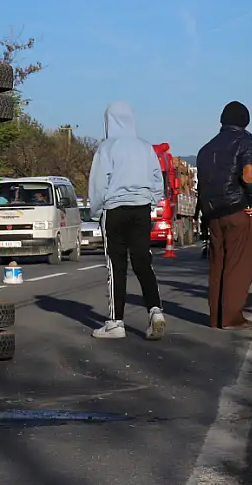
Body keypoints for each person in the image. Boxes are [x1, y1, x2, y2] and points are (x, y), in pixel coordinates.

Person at [87, 101, 166, 340]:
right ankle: (155, 311)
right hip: (141, 208)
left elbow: (99, 183)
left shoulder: (107, 147)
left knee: (116, 266)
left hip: (115, 209)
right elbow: (157, 180)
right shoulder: (145, 147)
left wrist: (96, 210)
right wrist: (151, 202)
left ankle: (115, 323)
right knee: (143, 262)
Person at [196, 102, 252, 330]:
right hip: (239, 209)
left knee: (218, 264)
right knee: (239, 264)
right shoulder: (247, 143)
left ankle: (216, 317)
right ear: (245, 121)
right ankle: (232, 317)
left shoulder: (205, 149)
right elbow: (250, 176)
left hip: (213, 214)